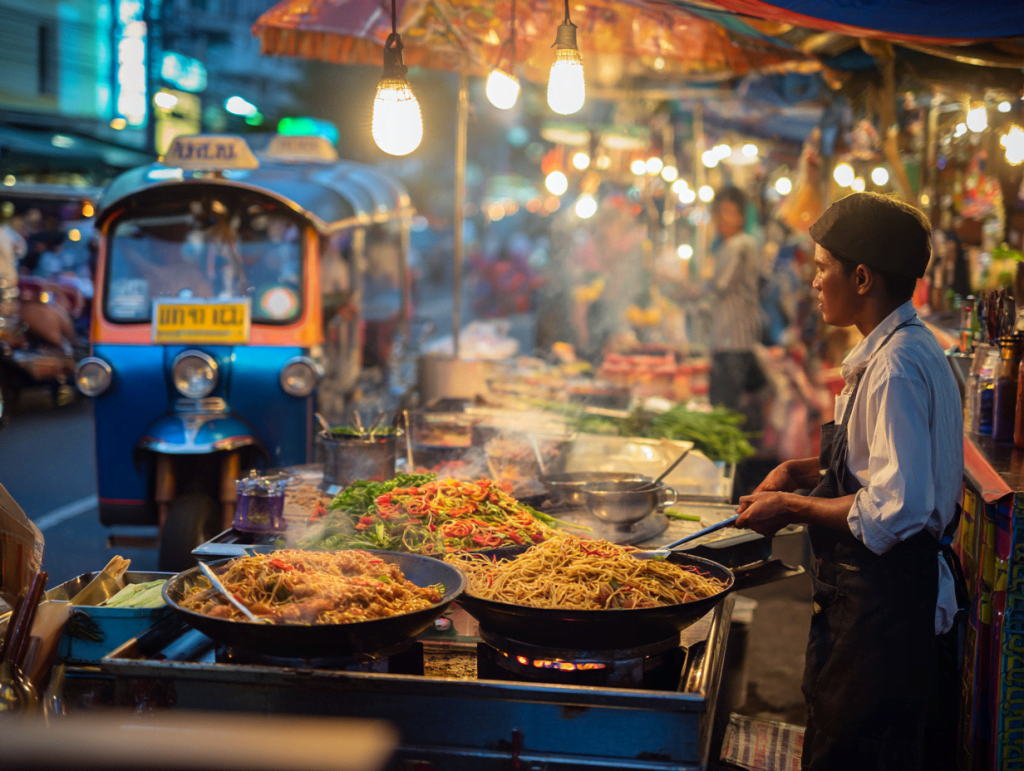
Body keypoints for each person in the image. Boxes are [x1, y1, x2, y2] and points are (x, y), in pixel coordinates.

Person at [734, 192, 965, 771]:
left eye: (821, 268)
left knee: (852, 751)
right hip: (875, 601)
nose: (814, 283)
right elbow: (879, 459)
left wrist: (792, 506)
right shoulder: (904, 348)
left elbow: (895, 506)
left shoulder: (894, 368)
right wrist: (798, 471)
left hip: (882, 605)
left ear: (861, 277)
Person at [707, 187, 765, 412]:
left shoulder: (740, 245)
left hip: (734, 343)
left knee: (726, 410)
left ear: (741, 217)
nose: (722, 219)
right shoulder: (725, 246)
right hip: (725, 341)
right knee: (724, 408)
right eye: (719, 212)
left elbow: (719, 287)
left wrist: (683, 287)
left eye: (728, 212)